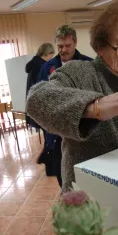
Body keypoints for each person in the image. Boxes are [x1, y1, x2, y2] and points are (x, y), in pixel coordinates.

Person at [27, 1, 118, 193]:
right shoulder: (80, 72)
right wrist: (98, 106)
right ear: (100, 47)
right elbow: (36, 100)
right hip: (90, 201)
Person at [37, 25, 93, 187]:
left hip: (84, 131)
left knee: (86, 177)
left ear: (75, 43)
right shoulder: (47, 68)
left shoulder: (88, 64)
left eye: (67, 46)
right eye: (60, 46)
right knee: (64, 177)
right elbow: (41, 99)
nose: (63, 50)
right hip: (57, 134)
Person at [25, 43, 55, 128]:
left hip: (33, 102)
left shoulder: (32, 65)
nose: (51, 58)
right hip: (42, 104)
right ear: (47, 53)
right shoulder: (42, 66)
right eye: (51, 55)